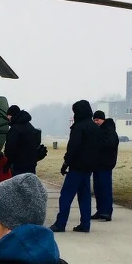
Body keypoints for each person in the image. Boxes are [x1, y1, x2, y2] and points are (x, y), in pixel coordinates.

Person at [50, 100, 101, 233]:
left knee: (66, 196)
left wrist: (66, 162)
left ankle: (60, 224)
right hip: (89, 167)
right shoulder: (95, 127)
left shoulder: (79, 127)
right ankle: (85, 224)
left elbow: (73, 147)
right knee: (85, 197)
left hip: (76, 167)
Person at [91, 109, 119, 222]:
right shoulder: (101, 130)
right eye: (94, 120)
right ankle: (100, 210)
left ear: (103, 119)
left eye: (97, 120)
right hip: (97, 164)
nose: (96, 122)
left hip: (105, 164)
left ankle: (107, 212)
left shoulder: (109, 131)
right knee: (98, 189)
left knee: (105, 188)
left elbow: (110, 144)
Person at [4, 107, 42, 176]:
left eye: (8, 115)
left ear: (11, 115)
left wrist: (7, 164)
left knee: (18, 185)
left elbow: (10, 148)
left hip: (18, 166)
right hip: (31, 164)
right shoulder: (30, 126)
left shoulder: (14, 129)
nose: (7, 118)